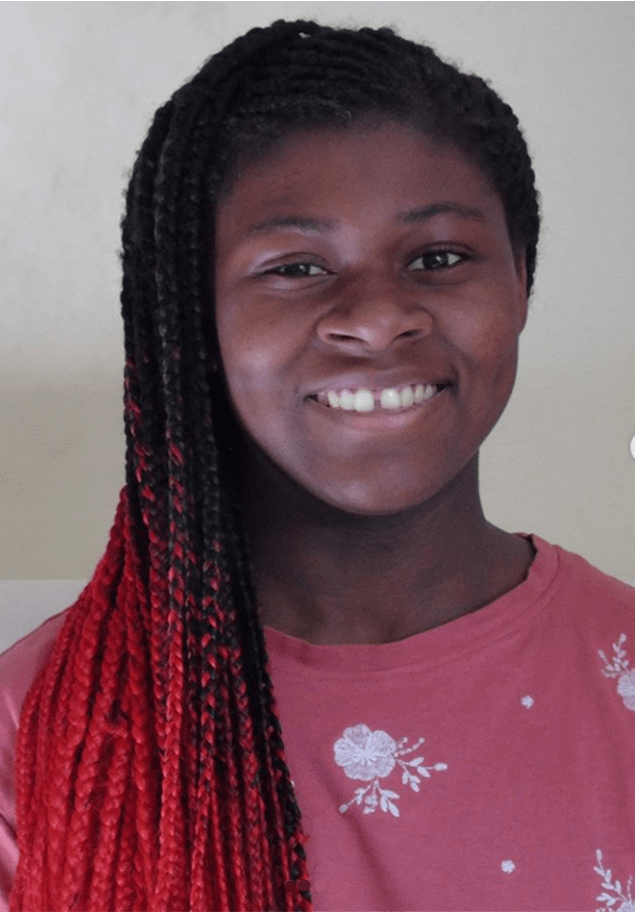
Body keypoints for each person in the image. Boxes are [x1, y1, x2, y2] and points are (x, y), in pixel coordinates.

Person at [1, 18, 634, 912]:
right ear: (191, 314)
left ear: (521, 279)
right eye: (295, 267)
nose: (376, 319)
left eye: (439, 258)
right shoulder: (42, 728)